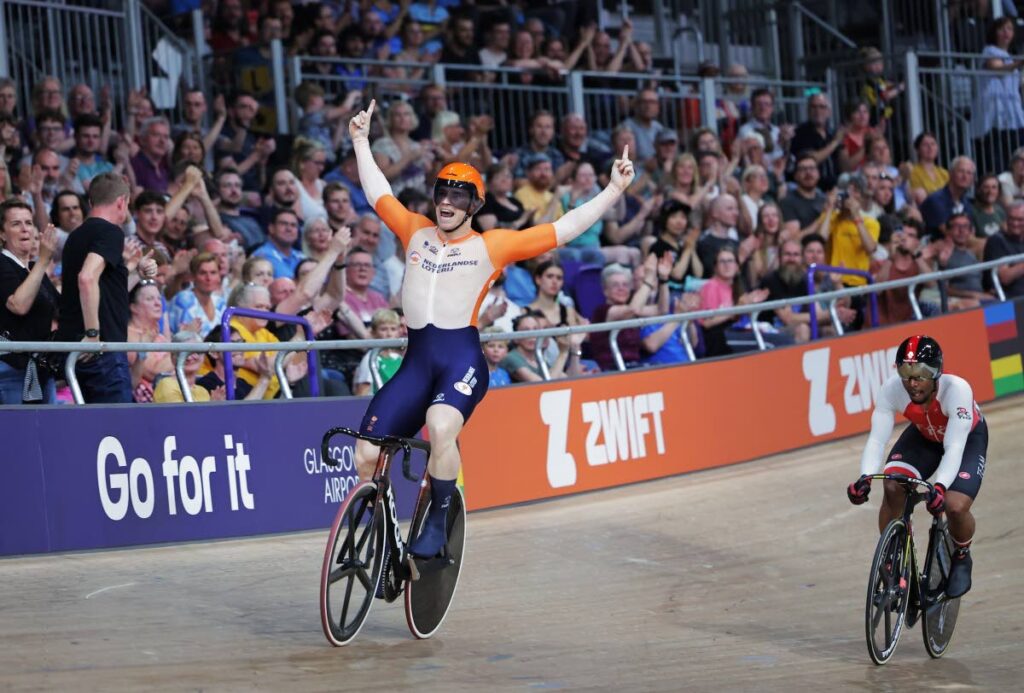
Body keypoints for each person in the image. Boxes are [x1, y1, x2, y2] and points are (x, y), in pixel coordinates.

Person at [348, 99, 636, 560]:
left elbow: (562, 229)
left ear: (474, 205)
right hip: (417, 363)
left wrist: (613, 191)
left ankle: (440, 517)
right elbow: (377, 190)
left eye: (459, 196)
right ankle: (379, 532)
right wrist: (361, 140)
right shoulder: (414, 231)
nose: (446, 201)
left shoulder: (493, 245)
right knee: (364, 454)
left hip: (461, 361)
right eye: (442, 191)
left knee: (441, 427)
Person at [847, 336, 987, 599]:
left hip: (965, 440)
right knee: (892, 484)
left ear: (936, 373)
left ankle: (961, 554)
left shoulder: (956, 390)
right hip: (924, 436)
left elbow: (954, 447)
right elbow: (877, 439)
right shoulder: (892, 389)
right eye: (905, 373)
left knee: (954, 506)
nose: (912, 383)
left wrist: (940, 487)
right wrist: (864, 477)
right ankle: (891, 556)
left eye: (921, 374)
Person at [56, 172, 158, 403]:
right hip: (101, 352)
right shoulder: (111, 231)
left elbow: (105, 289)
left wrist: (135, 273)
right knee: (116, 431)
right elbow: (87, 278)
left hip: (77, 352)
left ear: (90, 202)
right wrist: (93, 335)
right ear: (122, 202)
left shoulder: (76, 237)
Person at [0, 200, 59, 403]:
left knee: (48, 434)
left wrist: (130, 272)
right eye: (16, 224)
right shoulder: (2, 263)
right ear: (2, 233)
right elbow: (19, 305)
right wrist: (43, 260)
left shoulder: (34, 268)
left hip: (41, 369)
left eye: (29, 222)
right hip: (10, 370)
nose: (25, 229)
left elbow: (62, 310)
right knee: (17, 434)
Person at [352, 309, 404, 396]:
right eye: (383, 329)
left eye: (393, 329)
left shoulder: (398, 358)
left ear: (398, 332)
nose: (389, 334)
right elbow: (362, 394)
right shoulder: (370, 359)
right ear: (373, 332)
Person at [983, 199, 1024, 297]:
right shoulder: (997, 240)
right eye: (1011, 219)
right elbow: (1004, 277)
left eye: (1020, 220)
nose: (1015, 224)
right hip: (1008, 301)